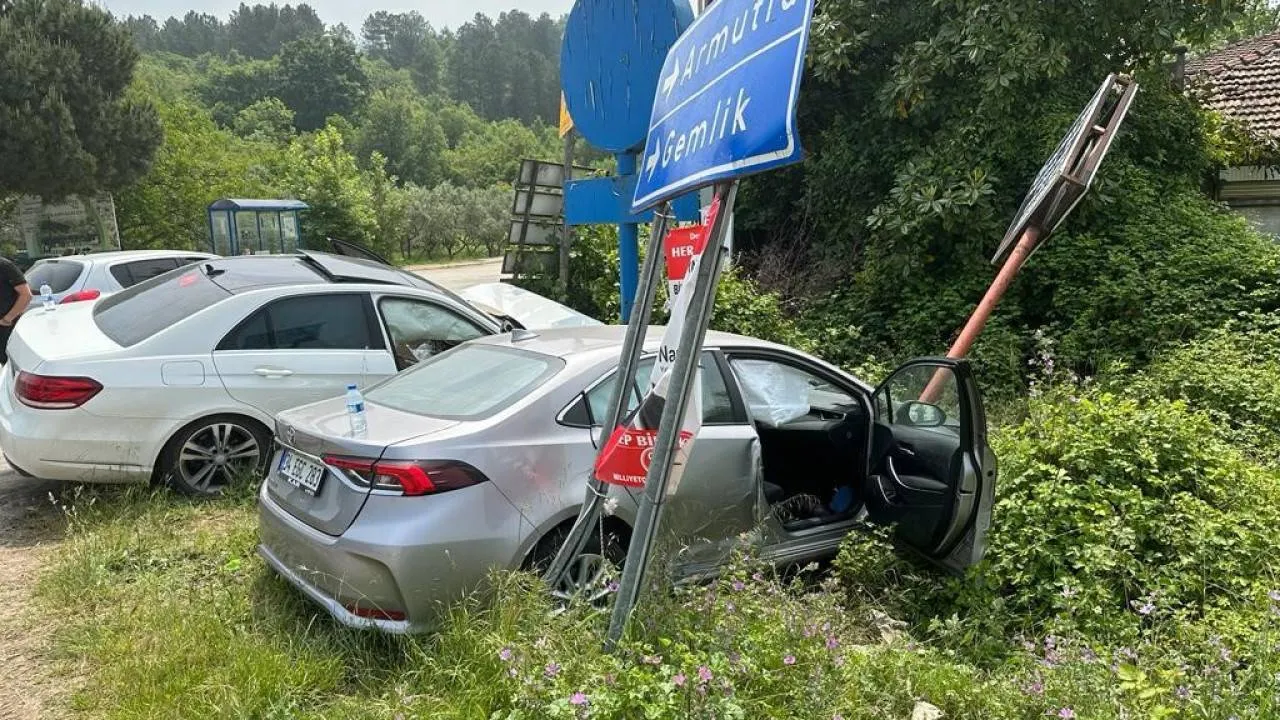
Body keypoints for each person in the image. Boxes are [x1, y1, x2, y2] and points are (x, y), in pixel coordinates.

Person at [0, 257, 32, 364]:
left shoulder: (5, 266)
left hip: (6, 327)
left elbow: (26, 295)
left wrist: (7, 319)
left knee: (12, 364)